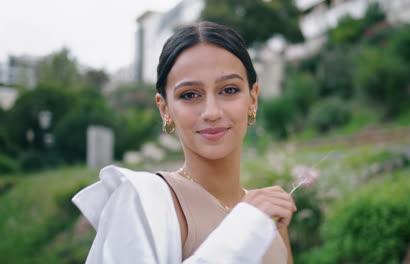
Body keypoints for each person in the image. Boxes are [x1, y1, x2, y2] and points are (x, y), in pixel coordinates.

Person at [73, 21, 297, 264]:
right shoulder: (145, 201)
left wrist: (254, 219)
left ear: (253, 99)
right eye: (190, 95)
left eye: (229, 90)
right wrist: (243, 227)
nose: (211, 112)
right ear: (165, 109)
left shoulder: (268, 217)